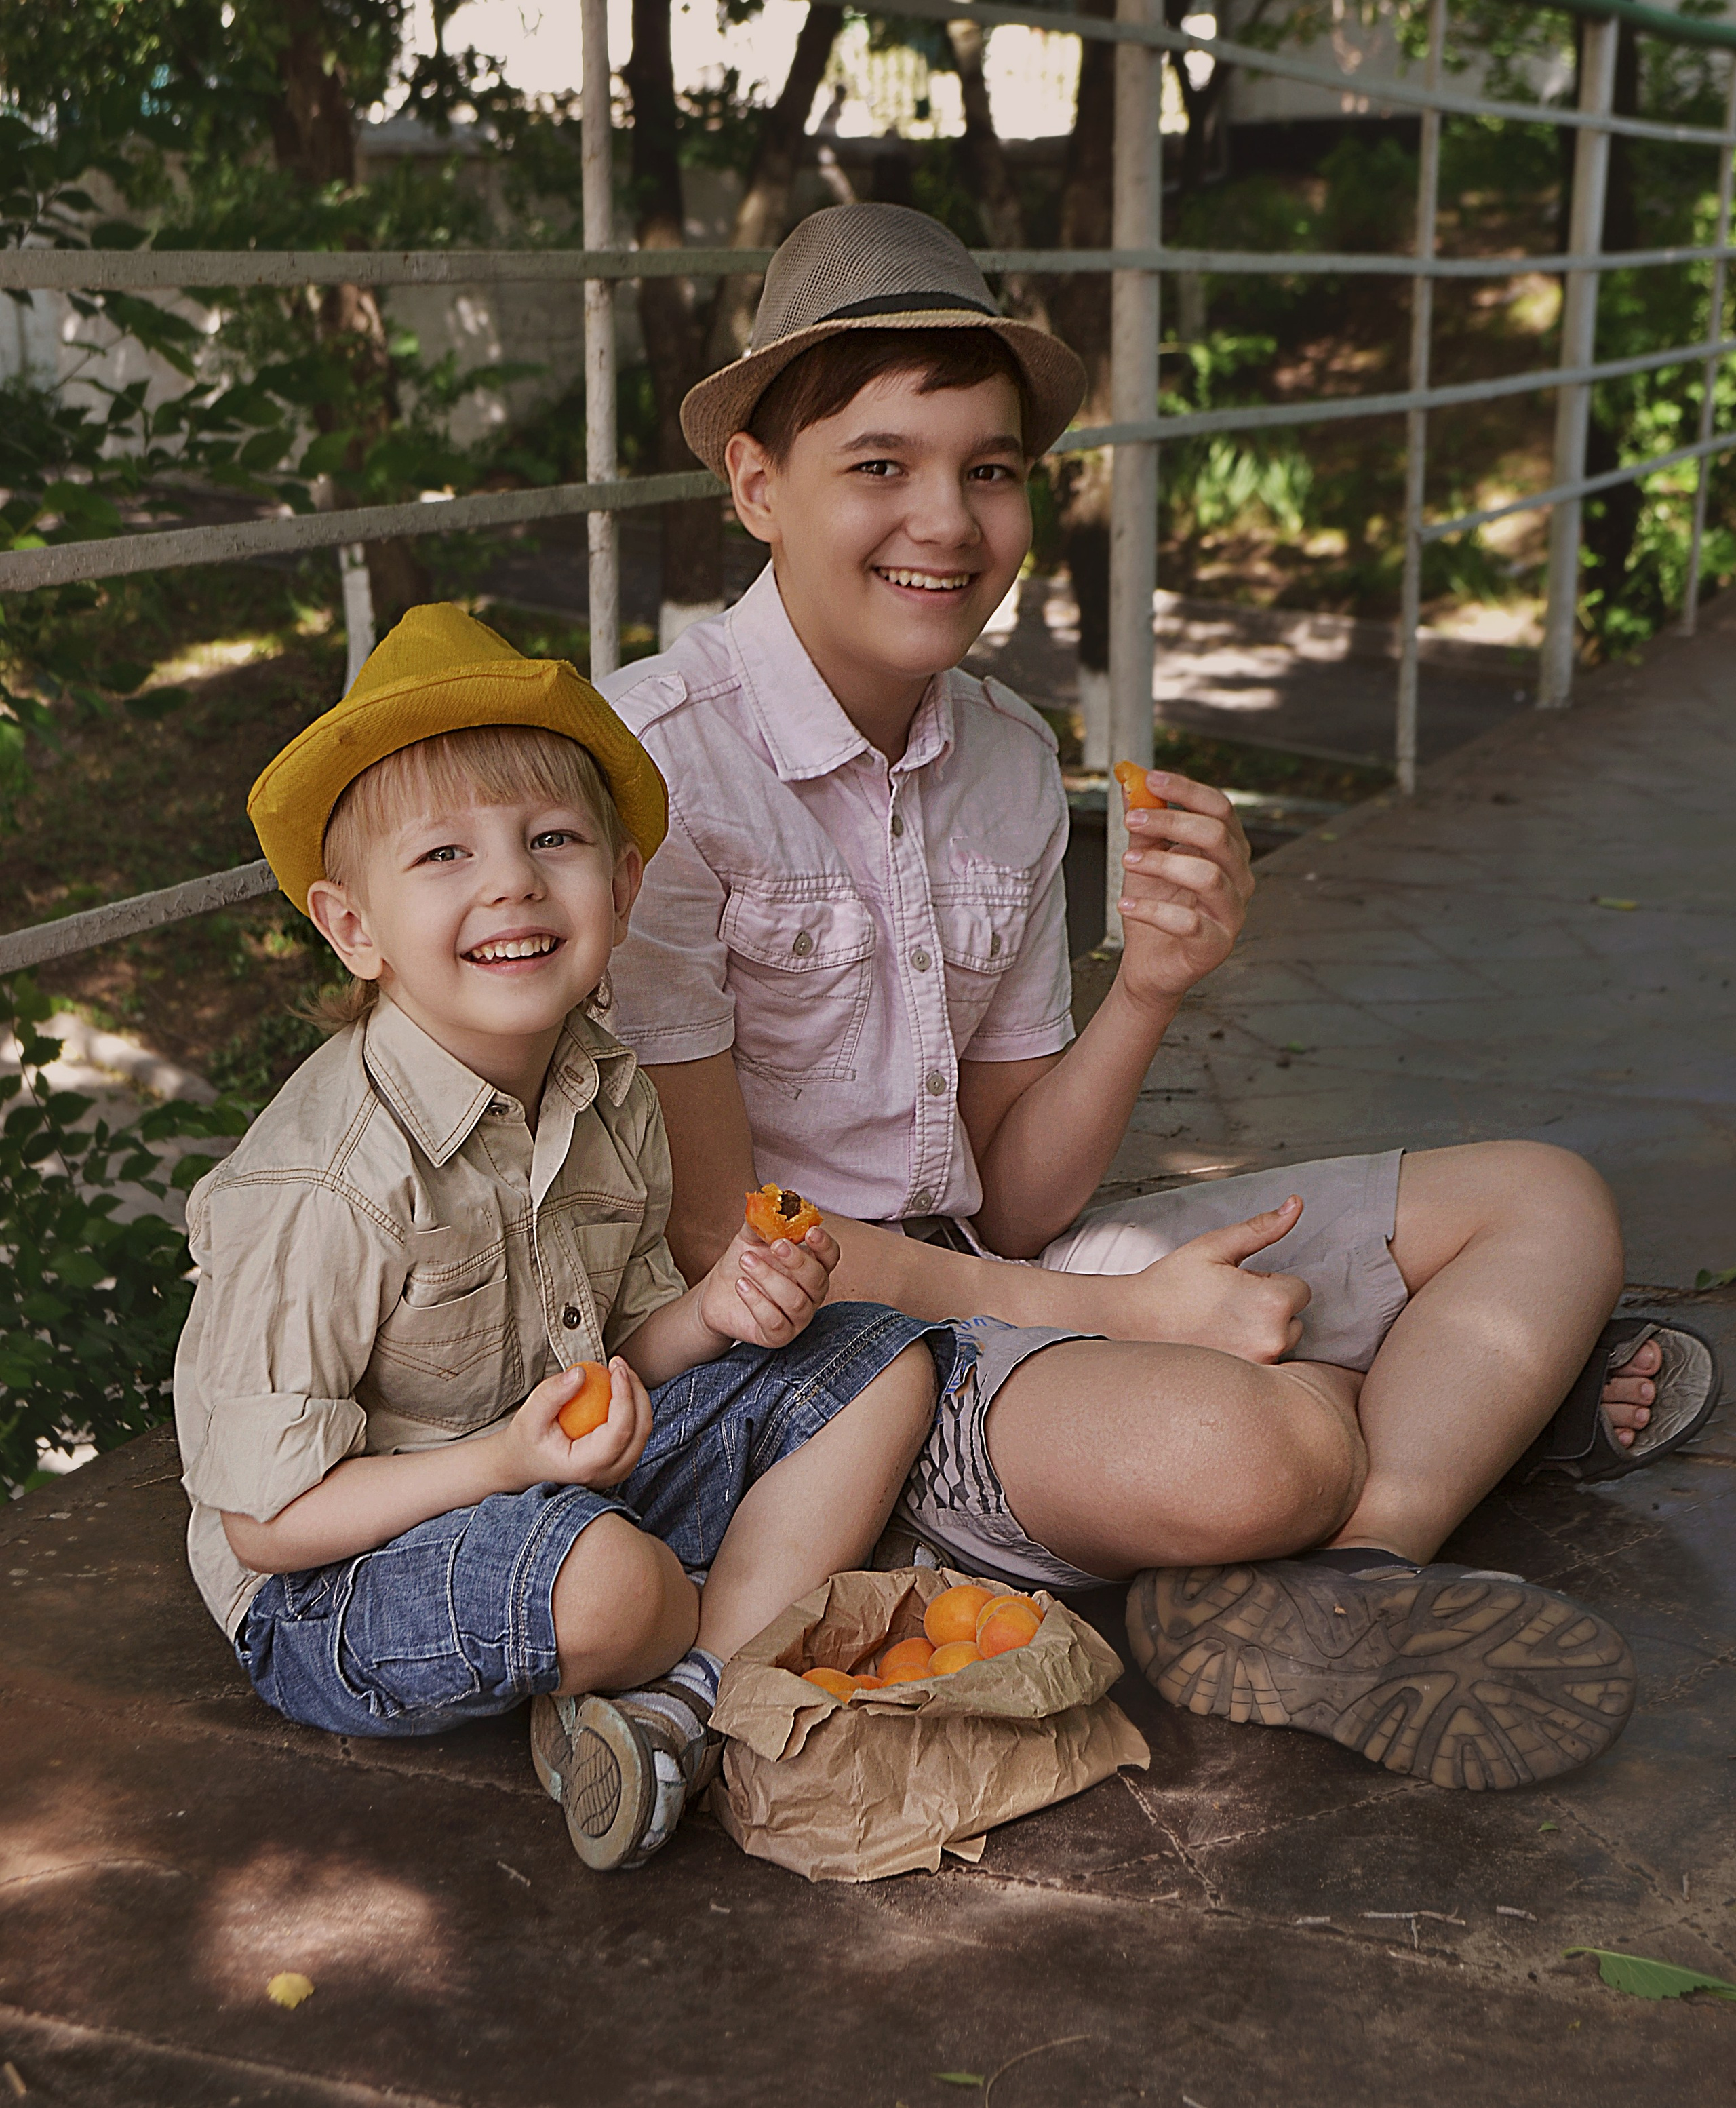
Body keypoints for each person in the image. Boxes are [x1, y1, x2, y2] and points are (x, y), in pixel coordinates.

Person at [598, 203, 1720, 1791]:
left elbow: (1013, 1193)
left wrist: (1150, 986)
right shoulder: (656, 772)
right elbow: (724, 1242)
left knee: (1544, 1203)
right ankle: (1413, 1433)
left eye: (990, 469)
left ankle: (1359, 1571)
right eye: (880, 465)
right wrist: (1125, 1319)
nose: (947, 521)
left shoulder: (999, 755)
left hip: (993, 1270)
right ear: (756, 484)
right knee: (1262, 1444)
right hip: (821, 1367)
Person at [172, 603, 954, 1873]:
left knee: (883, 1361)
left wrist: (719, 1310)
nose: (512, 882)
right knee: (611, 1582)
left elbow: (626, 1353)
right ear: (353, 927)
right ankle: (717, 1628)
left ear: (624, 887)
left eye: (553, 840)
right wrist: (503, 1462)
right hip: (341, 1575)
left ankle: (677, 1707)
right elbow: (267, 1524)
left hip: (561, 1483)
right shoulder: (324, 1183)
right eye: (444, 854)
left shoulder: (605, 1087)